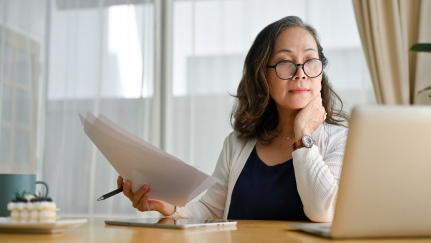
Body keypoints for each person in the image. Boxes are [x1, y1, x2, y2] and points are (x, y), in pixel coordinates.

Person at [117, 16, 349, 223]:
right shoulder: (237, 144)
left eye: (310, 60)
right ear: (262, 76)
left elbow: (324, 212)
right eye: (285, 62)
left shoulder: (340, 140)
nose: (301, 72)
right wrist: (170, 208)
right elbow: (211, 210)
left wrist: (303, 135)